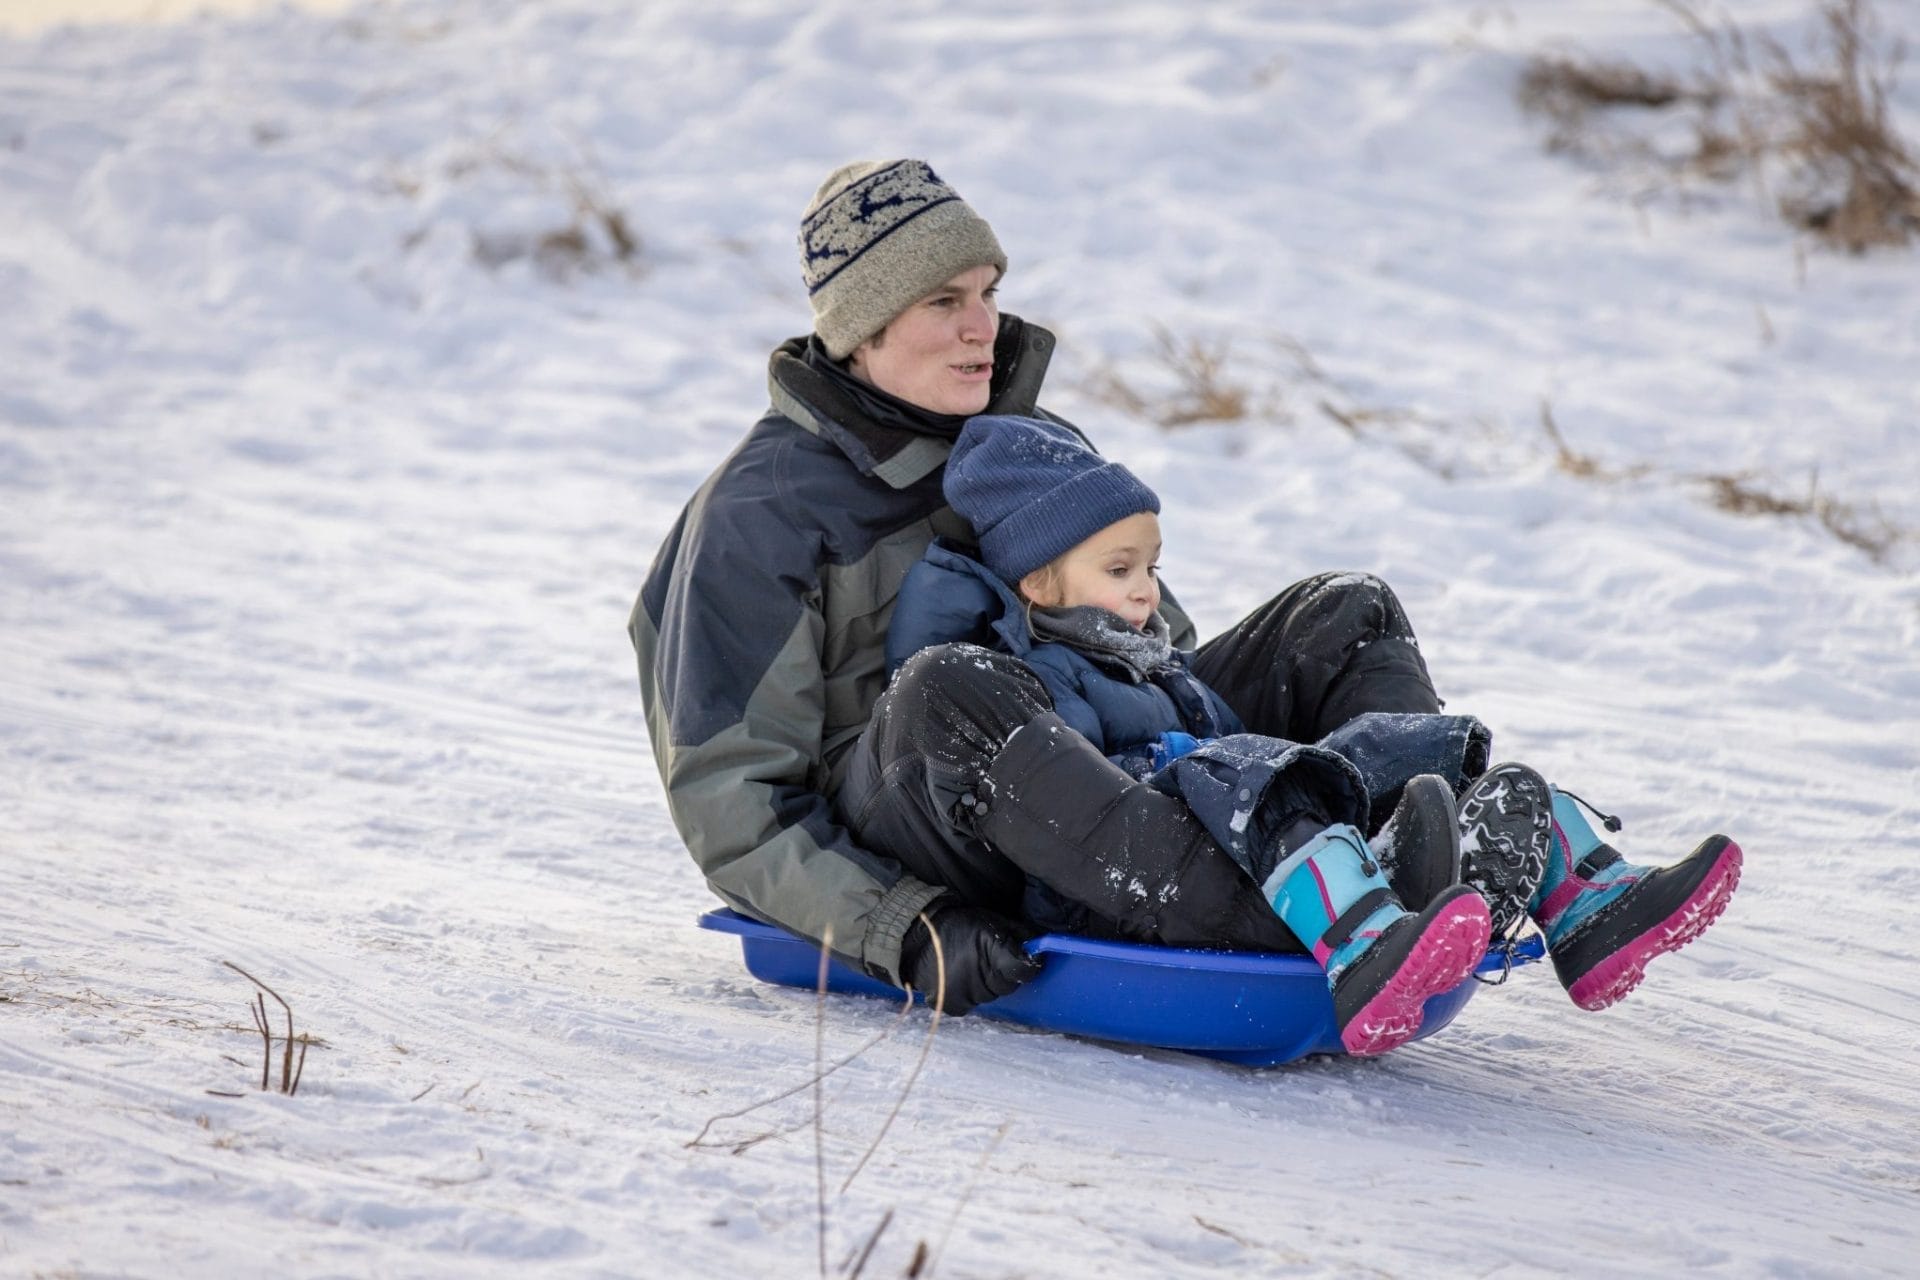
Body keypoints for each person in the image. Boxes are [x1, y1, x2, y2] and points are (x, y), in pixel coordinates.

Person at [628, 157, 1739, 1034]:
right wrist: (897, 926)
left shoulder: (1025, 443)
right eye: (942, 302)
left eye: (987, 293)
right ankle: (1316, 920)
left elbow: (1153, 637)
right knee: (949, 687)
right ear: (861, 327)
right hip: (926, 821)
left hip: (1096, 773)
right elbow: (731, 796)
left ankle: (1446, 861)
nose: (984, 325)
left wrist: (1193, 714)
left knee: (1342, 611)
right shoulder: (756, 514)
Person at [873, 413, 1744, 1045]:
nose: (1147, 592)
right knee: (1249, 767)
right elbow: (1083, 791)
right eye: (1119, 570)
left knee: (1423, 736)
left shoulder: (1155, 663)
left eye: (1152, 567)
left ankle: (1583, 898)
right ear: (1035, 580)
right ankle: (1365, 936)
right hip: (1120, 875)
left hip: (1239, 818)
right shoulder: (1026, 671)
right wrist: (1236, 761)